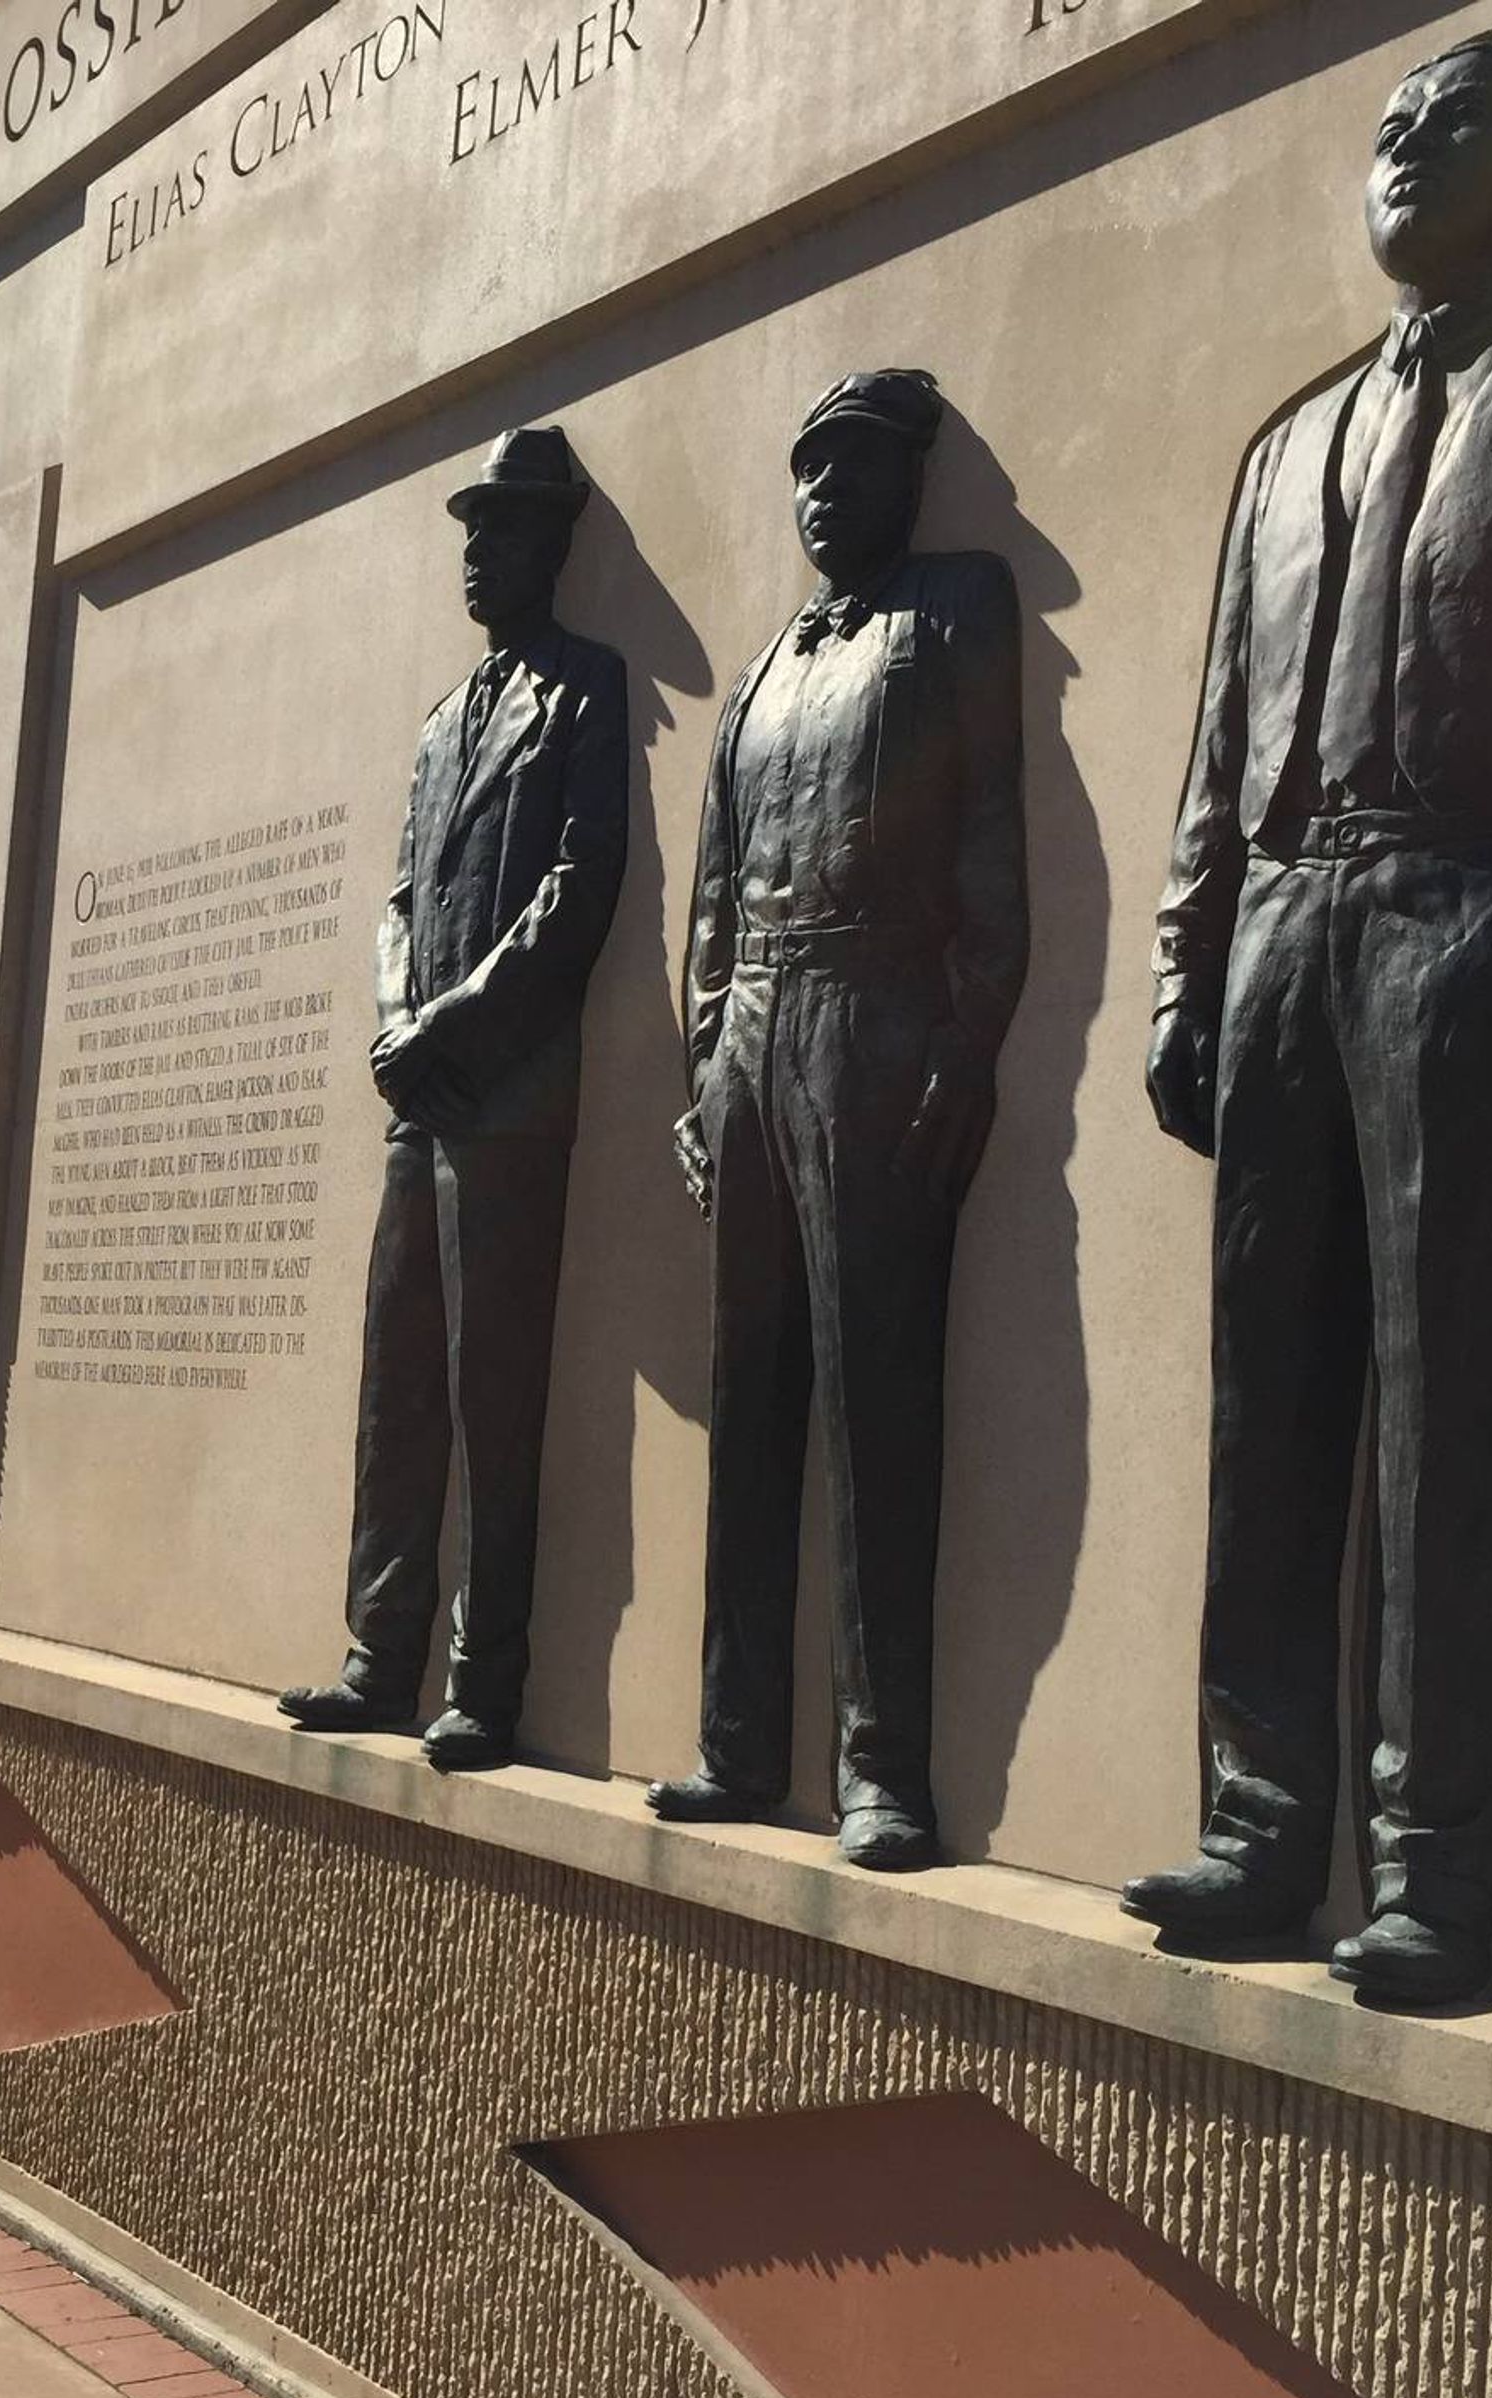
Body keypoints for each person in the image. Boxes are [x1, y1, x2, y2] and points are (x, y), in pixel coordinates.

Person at [1127, 37, 1492, 2004]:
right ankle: (1255, 1822)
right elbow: (1218, 751)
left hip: (1463, 914)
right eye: (1384, 129)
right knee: (1265, 1409)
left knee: (1444, 1411)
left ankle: (1428, 1869)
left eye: (1448, 120)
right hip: (1284, 938)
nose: (1400, 149)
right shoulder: (1280, 444)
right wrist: (1184, 974)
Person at [650, 369, 1026, 1867]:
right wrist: (699, 1082)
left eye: (852, 465)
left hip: (876, 1023)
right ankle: (738, 1743)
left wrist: (966, 1039)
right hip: (751, 1041)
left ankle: (881, 1767)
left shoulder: (956, 609)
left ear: (906, 480)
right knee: (749, 1397)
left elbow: (992, 835)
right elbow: (712, 900)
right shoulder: (759, 671)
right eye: (806, 468)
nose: (823, 492)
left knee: (878, 1398)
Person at [280, 426, 629, 1772]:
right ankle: (380, 1654)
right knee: (399, 1386)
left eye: (502, 533)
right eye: (471, 536)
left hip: (509, 1097)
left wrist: (451, 1020)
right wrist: (392, 1016)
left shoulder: (586, 692)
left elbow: (578, 889)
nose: (479, 558)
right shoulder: (441, 725)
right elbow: (401, 899)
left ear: (551, 544)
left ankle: (484, 1679)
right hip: (419, 1097)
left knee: (497, 1399)